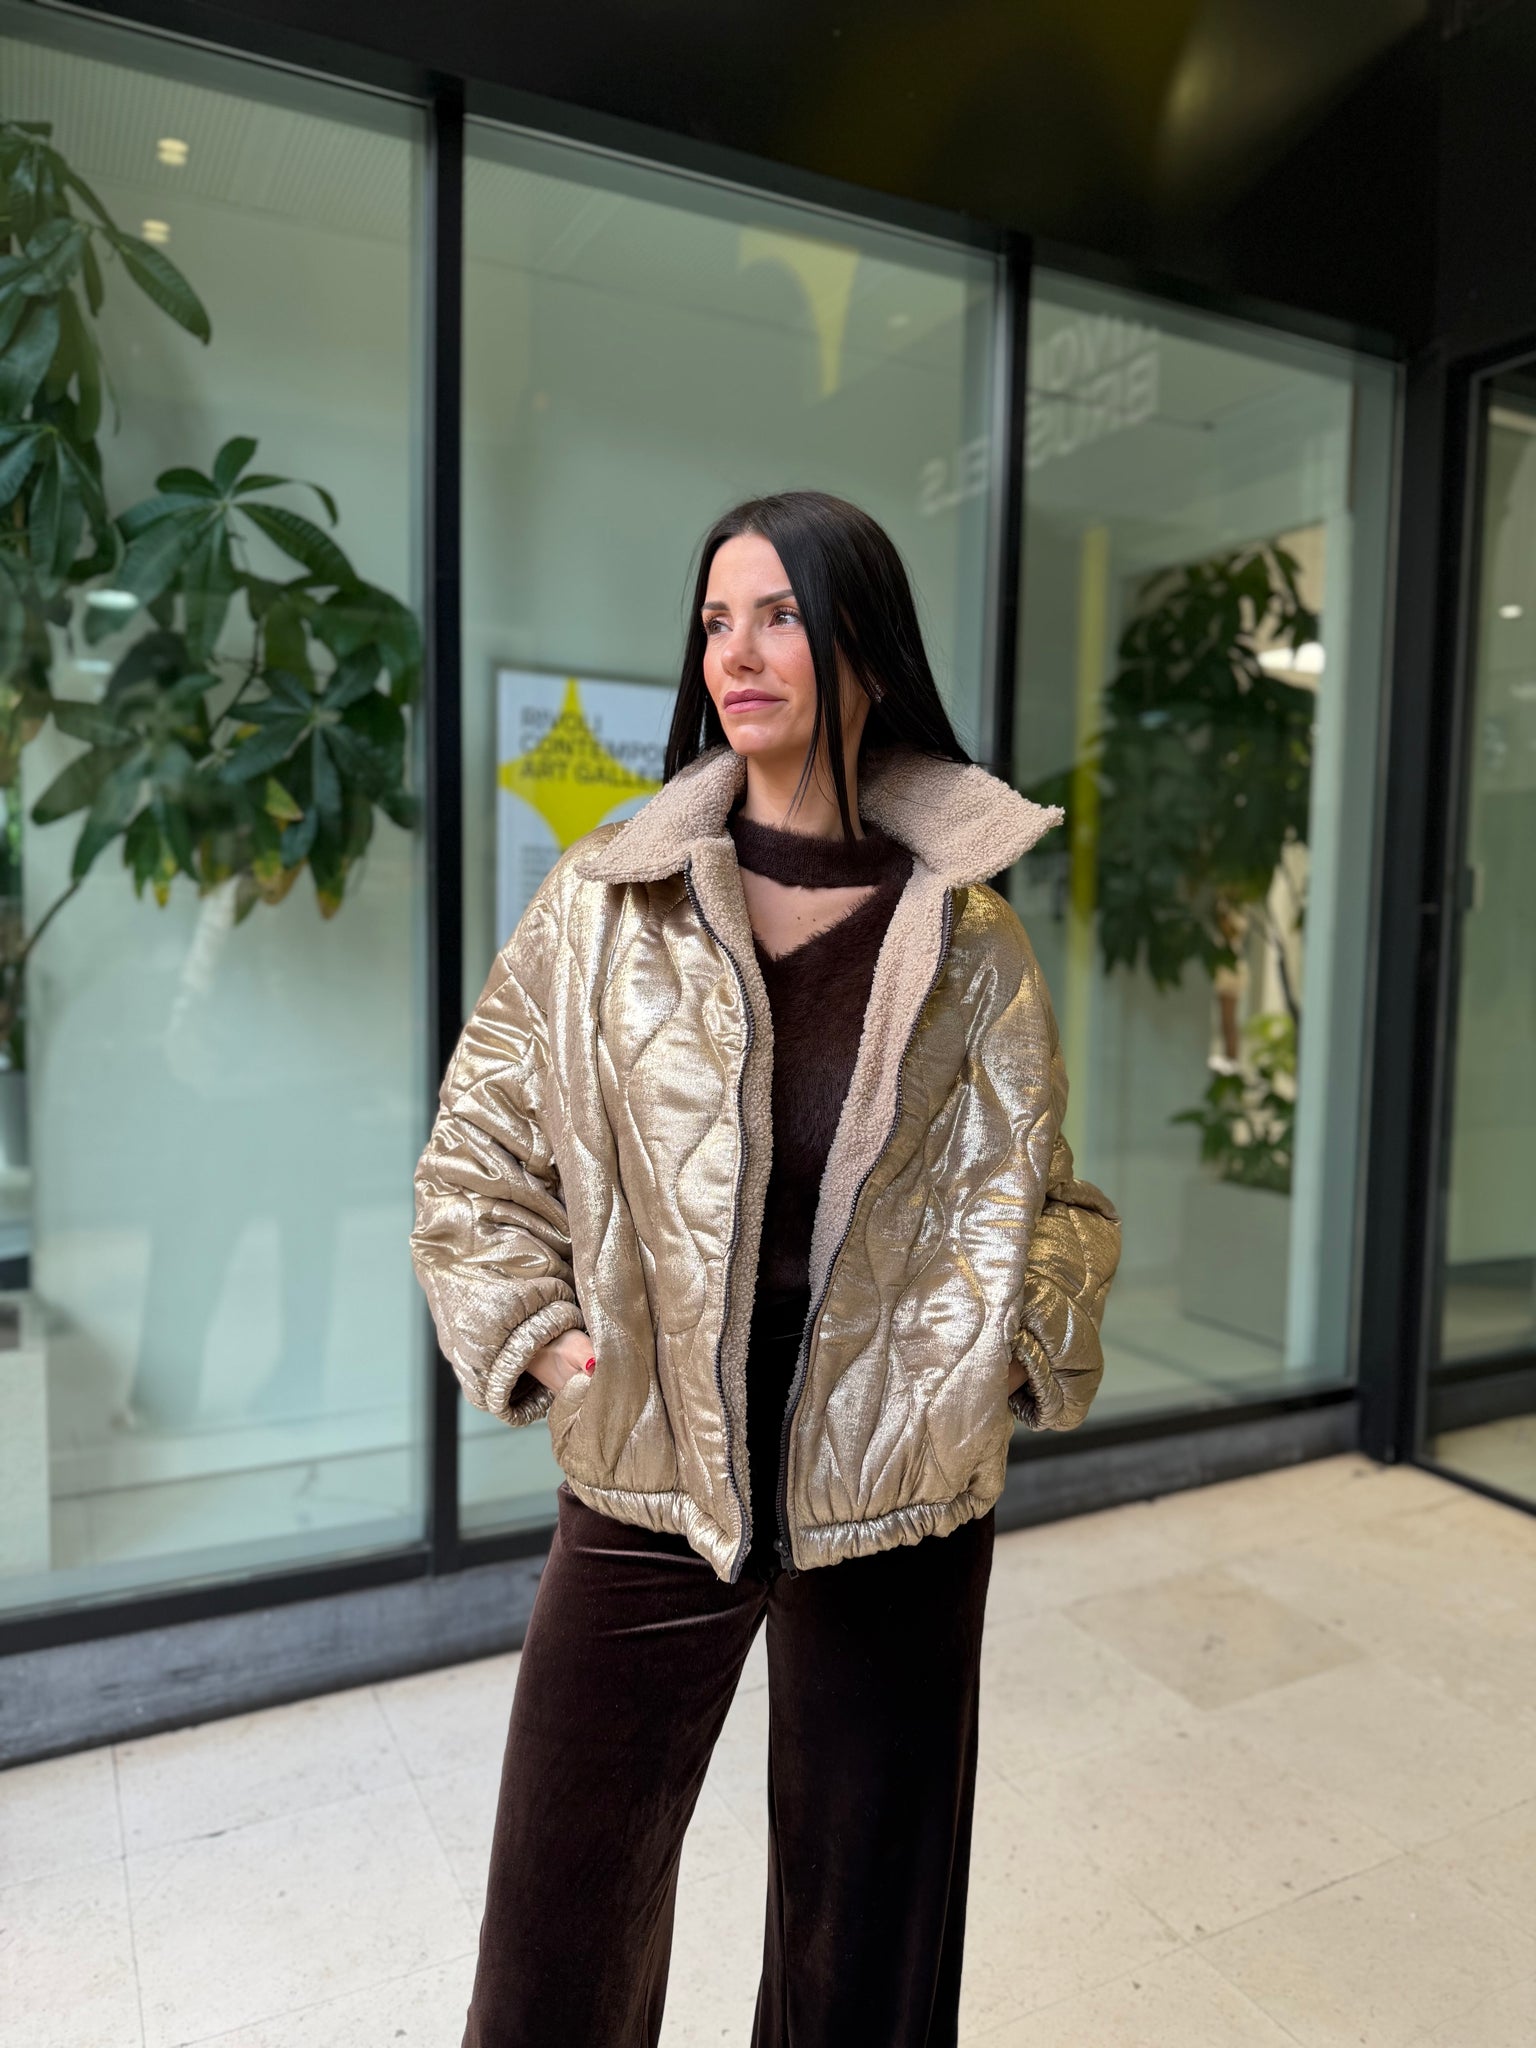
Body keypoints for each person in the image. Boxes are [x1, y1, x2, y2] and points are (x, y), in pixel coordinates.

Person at [411, 489, 1122, 2048]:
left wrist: (1002, 1354)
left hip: (897, 1484)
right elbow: (476, 1154)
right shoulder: (607, 904)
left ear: (865, 644)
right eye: (715, 621)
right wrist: (539, 1332)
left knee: (864, 1955)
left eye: (781, 614)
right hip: (651, 1462)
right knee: (555, 1944)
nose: (735, 653)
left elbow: (1052, 1201)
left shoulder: (972, 936)